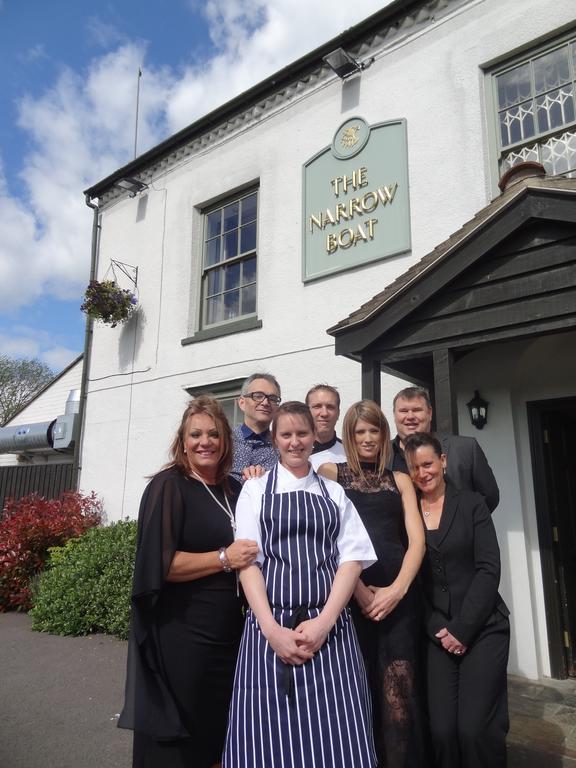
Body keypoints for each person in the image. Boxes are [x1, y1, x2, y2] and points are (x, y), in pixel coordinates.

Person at [223, 401, 378, 768]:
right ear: (275, 439)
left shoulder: (334, 492)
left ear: (314, 436)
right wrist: (271, 629)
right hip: (269, 628)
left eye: (302, 434)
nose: (295, 442)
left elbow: (351, 560)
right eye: (286, 434)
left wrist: (324, 622)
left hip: (331, 631)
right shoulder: (255, 490)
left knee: (338, 733)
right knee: (265, 737)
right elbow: (248, 565)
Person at [118, 396, 259, 768]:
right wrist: (224, 558)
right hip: (184, 634)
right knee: (185, 737)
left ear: (226, 441)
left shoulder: (234, 489)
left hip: (230, 634)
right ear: (182, 441)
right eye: (195, 434)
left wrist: (259, 485)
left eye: (214, 434)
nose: (205, 441)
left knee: (221, 734)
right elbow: (159, 565)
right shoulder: (169, 486)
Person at [318, 400, 427, 768]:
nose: (367, 438)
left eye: (374, 430)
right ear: (349, 436)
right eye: (359, 431)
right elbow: (326, 540)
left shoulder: (400, 480)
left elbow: (417, 541)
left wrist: (397, 590)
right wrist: (359, 591)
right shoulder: (331, 473)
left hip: (399, 600)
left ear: (383, 436)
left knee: (400, 700)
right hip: (350, 599)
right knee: (356, 695)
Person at [404, 432, 509, 768]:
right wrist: (440, 628)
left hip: (482, 628)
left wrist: (462, 629)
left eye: (428, 464)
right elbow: (414, 582)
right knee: (443, 731)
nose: (423, 473)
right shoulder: (408, 515)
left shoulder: (473, 504)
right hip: (437, 632)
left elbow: (489, 569)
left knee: (474, 729)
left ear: (443, 461)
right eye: (415, 467)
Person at [390, 386, 499, 512]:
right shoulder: (382, 454)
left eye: (417, 410)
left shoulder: (465, 448)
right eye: (403, 411)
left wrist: (468, 525)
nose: (410, 416)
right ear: (394, 415)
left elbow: (490, 497)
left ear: (429, 413)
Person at [230, 373, 281, 482]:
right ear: (242, 402)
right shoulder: (224, 441)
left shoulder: (282, 447)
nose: (265, 402)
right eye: (258, 396)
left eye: (272, 399)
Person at [306, 383, 347, 470]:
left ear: (338, 413)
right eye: (317, 406)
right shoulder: (293, 453)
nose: (324, 413)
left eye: (330, 407)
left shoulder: (351, 455)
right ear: (306, 412)